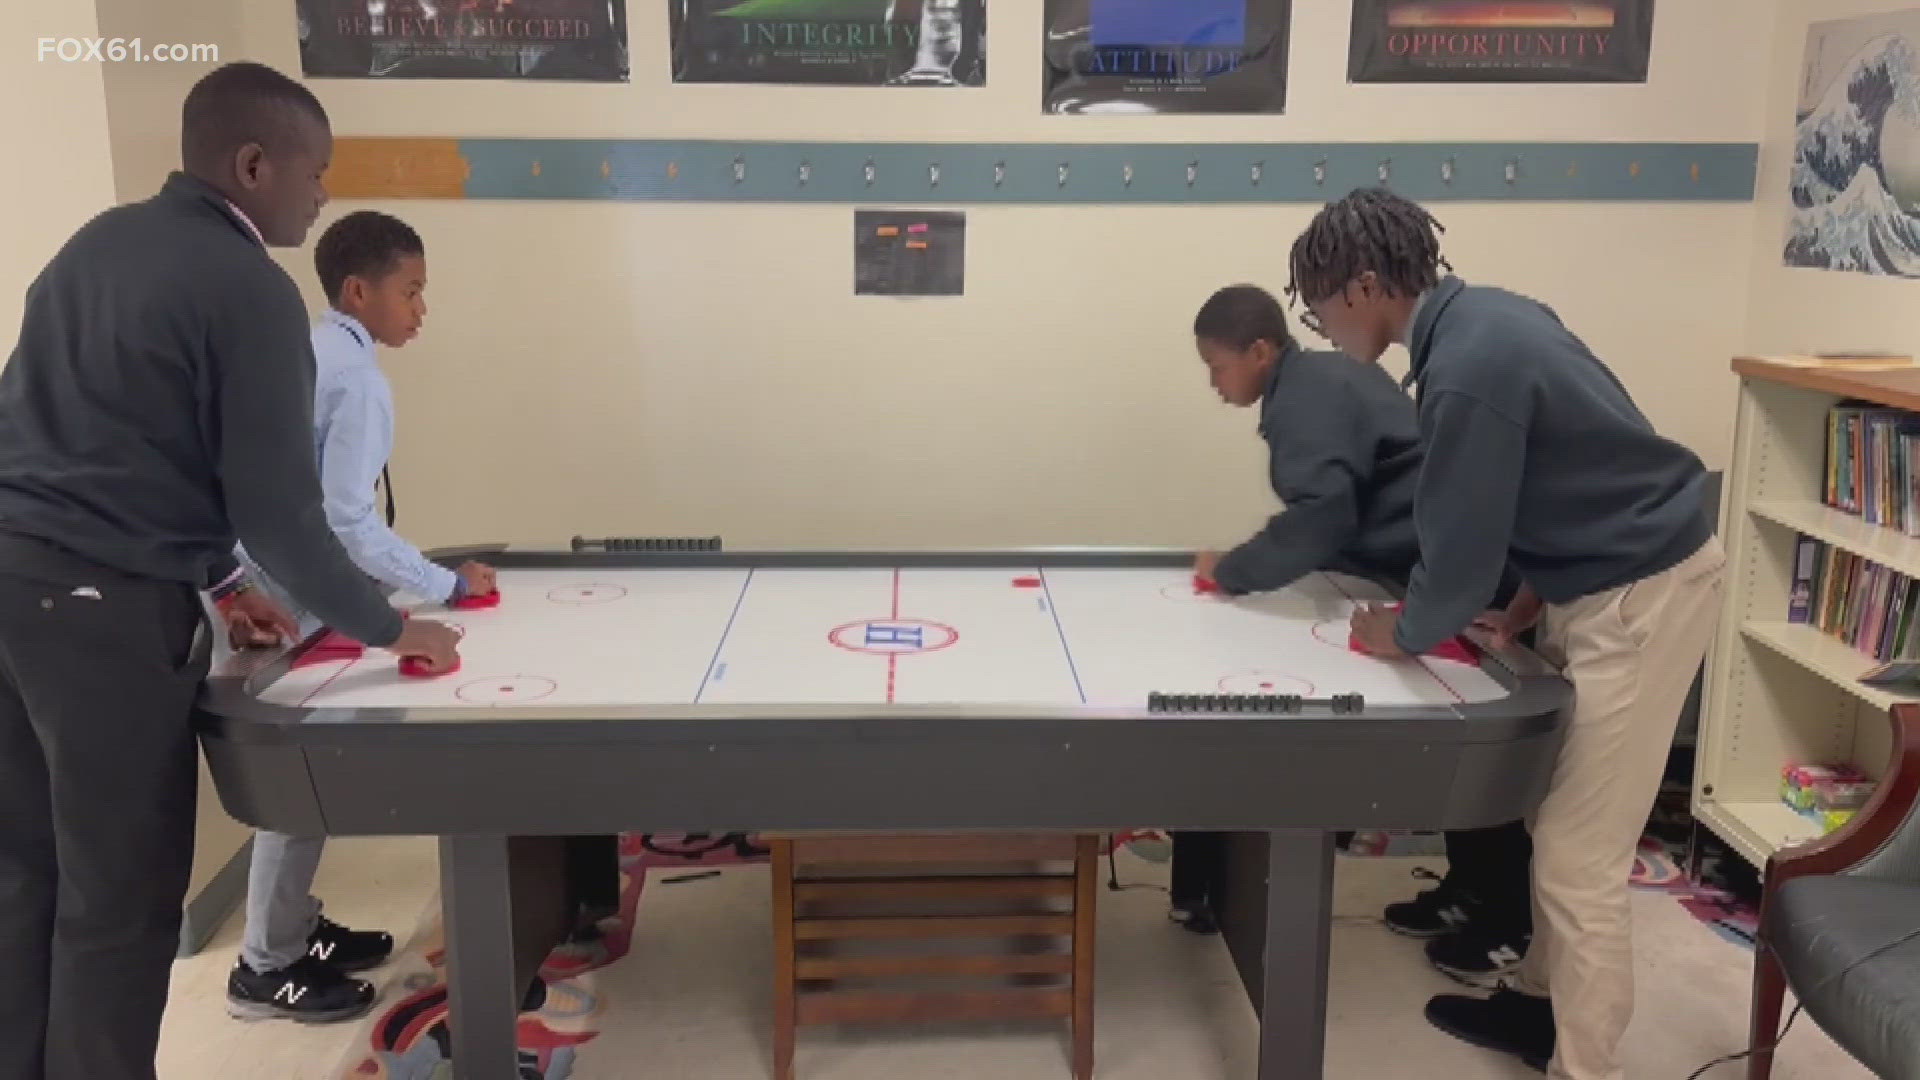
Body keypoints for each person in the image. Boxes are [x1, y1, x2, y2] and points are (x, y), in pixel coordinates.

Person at [0, 61, 459, 1080]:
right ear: (254, 165)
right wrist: (393, 627)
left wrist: (218, 574)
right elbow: (292, 517)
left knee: (27, 873)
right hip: (101, 617)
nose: (322, 193)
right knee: (120, 901)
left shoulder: (94, 248)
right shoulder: (246, 285)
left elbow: (116, 438)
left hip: (12, 583)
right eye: (315, 171)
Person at [1288, 186, 1725, 1080]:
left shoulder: (1464, 369)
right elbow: (1572, 470)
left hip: (1644, 592)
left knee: (1579, 857)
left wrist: (1399, 631)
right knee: (1549, 813)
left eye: (1320, 306)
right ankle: (1537, 1009)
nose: (1323, 327)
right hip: (1601, 575)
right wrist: (1529, 601)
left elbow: (1459, 547)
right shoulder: (1488, 320)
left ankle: (1584, 1065)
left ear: (1365, 285)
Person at [1169, 284, 1530, 969]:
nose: (1215, 385)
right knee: (1466, 753)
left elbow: (1323, 517)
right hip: (1427, 565)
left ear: (1260, 350)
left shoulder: (1305, 400)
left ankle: (1507, 920)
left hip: (1463, 578)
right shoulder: (1316, 381)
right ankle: (1469, 890)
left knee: (1479, 753)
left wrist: (1234, 569)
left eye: (1218, 367)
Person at [224, 210, 495, 1022]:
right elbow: (346, 522)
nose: (421, 310)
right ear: (358, 291)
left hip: (259, 576)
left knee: (301, 781)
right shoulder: (356, 378)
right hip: (285, 591)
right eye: (411, 292)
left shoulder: (313, 350)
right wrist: (445, 586)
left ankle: (293, 928)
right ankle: (263, 969)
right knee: (300, 782)